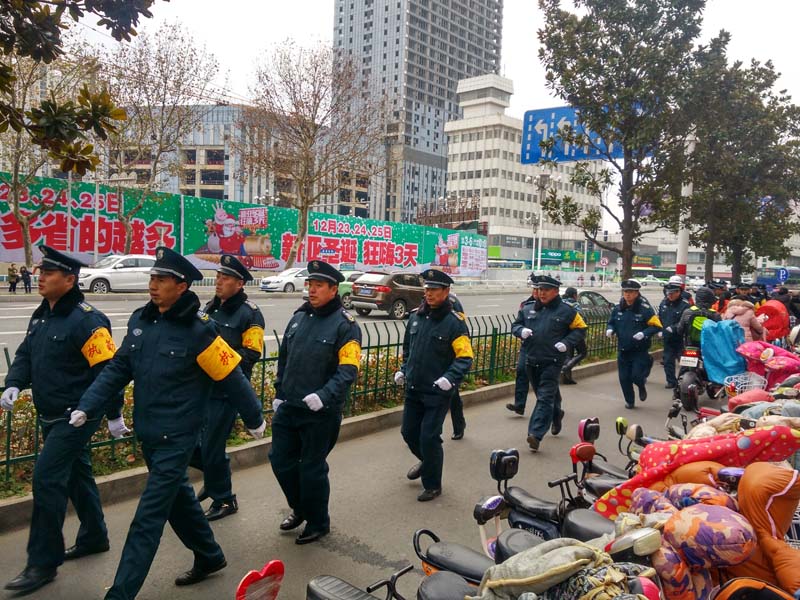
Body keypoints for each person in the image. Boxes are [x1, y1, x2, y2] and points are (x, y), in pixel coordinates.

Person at [70, 246, 266, 599]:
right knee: (179, 499)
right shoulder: (141, 322)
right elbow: (118, 369)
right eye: (153, 278)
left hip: (178, 436)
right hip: (149, 432)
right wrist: (89, 404)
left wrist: (253, 417)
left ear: (182, 286)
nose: (153, 285)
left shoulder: (200, 330)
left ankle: (120, 593)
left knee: (148, 516)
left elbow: (230, 375)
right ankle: (209, 555)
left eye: (162, 279)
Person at [1, 246, 121, 595]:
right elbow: (25, 355)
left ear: (69, 280)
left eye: (48, 273)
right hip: (49, 412)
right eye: (40, 272)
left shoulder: (88, 321)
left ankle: (42, 562)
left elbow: (108, 373)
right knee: (76, 475)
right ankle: (94, 535)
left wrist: (113, 413)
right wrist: (14, 383)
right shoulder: (42, 315)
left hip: (76, 416)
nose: (40, 278)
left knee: (47, 479)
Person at [271, 260, 362, 543]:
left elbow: (348, 369)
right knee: (280, 461)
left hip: (321, 412)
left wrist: (324, 395)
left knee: (312, 469)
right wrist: (279, 392)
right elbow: (285, 359)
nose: (311, 289)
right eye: (310, 284)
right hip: (290, 406)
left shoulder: (345, 326)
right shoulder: (299, 318)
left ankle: (318, 522)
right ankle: (301, 508)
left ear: (333, 290)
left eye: (318, 285)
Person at [191, 255, 265, 521]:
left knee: (212, 446)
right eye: (218, 276)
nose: (219, 281)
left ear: (240, 283)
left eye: (225, 278)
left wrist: (220, 363)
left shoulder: (250, 314)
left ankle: (224, 498)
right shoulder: (211, 307)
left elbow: (251, 353)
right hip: (202, 390)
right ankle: (214, 478)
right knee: (192, 445)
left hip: (227, 392)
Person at [396, 269, 473, 500]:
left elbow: (464, 357)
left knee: (429, 437)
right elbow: (408, 350)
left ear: (446, 291)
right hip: (414, 388)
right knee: (408, 433)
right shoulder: (416, 317)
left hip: (437, 392)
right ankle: (427, 461)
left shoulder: (454, 323)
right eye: (427, 289)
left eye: (434, 289)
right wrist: (403, 370)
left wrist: (449, 378)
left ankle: (432, 485)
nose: (428, 293)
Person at [512, 275, 586, 452]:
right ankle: (557, 414)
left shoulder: (567, 311)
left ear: (555, 291)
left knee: (544, 398)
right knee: (544, 396)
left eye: (546, 290)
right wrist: (521, 330)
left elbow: (581, 329)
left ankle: (535, 434)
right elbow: (515, 325)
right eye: (540, 290)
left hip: (552, 361)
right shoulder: (528, 308)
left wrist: (567, 342)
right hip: (531, 359)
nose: (542, 293)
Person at [606, 279, 662, 409]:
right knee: (624, 378)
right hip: (623, 349)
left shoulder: (645, 309)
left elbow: (656, 326)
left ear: (637, 293)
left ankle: (641, 385)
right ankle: (630, 401)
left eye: (631, 292)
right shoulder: (618, 308)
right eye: (625, 291)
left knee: (636, 376)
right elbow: (611, 322)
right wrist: (610, 329)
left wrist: (644, 333)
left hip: (639, 350)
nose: (627, 294)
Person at [506, 275, 539, 415]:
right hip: (528, 346)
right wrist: (521, 331)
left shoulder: (553, 306)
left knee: (543, 379)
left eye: (539, 289)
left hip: (545, 348)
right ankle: (519, 405)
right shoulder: (526, 305)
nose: (536, 292)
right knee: (521, 372)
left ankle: (554, 408)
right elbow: (517, 324)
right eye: (534, 289)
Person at [659, 281, 691, 389]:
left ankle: (682, 380)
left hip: (680, 338)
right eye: (668, 293)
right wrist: (660, 329)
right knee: (667, 360)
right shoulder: (664, 303)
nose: (670, 295)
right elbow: (660, 318)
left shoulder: (685, 305)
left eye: (672, 293)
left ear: (678, 292)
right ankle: (671, 381)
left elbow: (686, 321)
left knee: (684, 361)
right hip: (668, 338)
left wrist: (674, 328)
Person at [447, 292, 467, 440]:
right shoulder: (426, 299)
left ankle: (459, 425)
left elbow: (461, 324)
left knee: (452, 395)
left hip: (449, 354)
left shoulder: (452, 300)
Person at [560, 287, 588, 385]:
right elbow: (581, 317)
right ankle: (566, 367)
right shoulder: (574, 304)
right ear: (575, 295)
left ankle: (567, 379)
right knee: (583, 352)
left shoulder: (561, 303)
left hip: (563, 332)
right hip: (575, 332)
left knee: (569, 355)